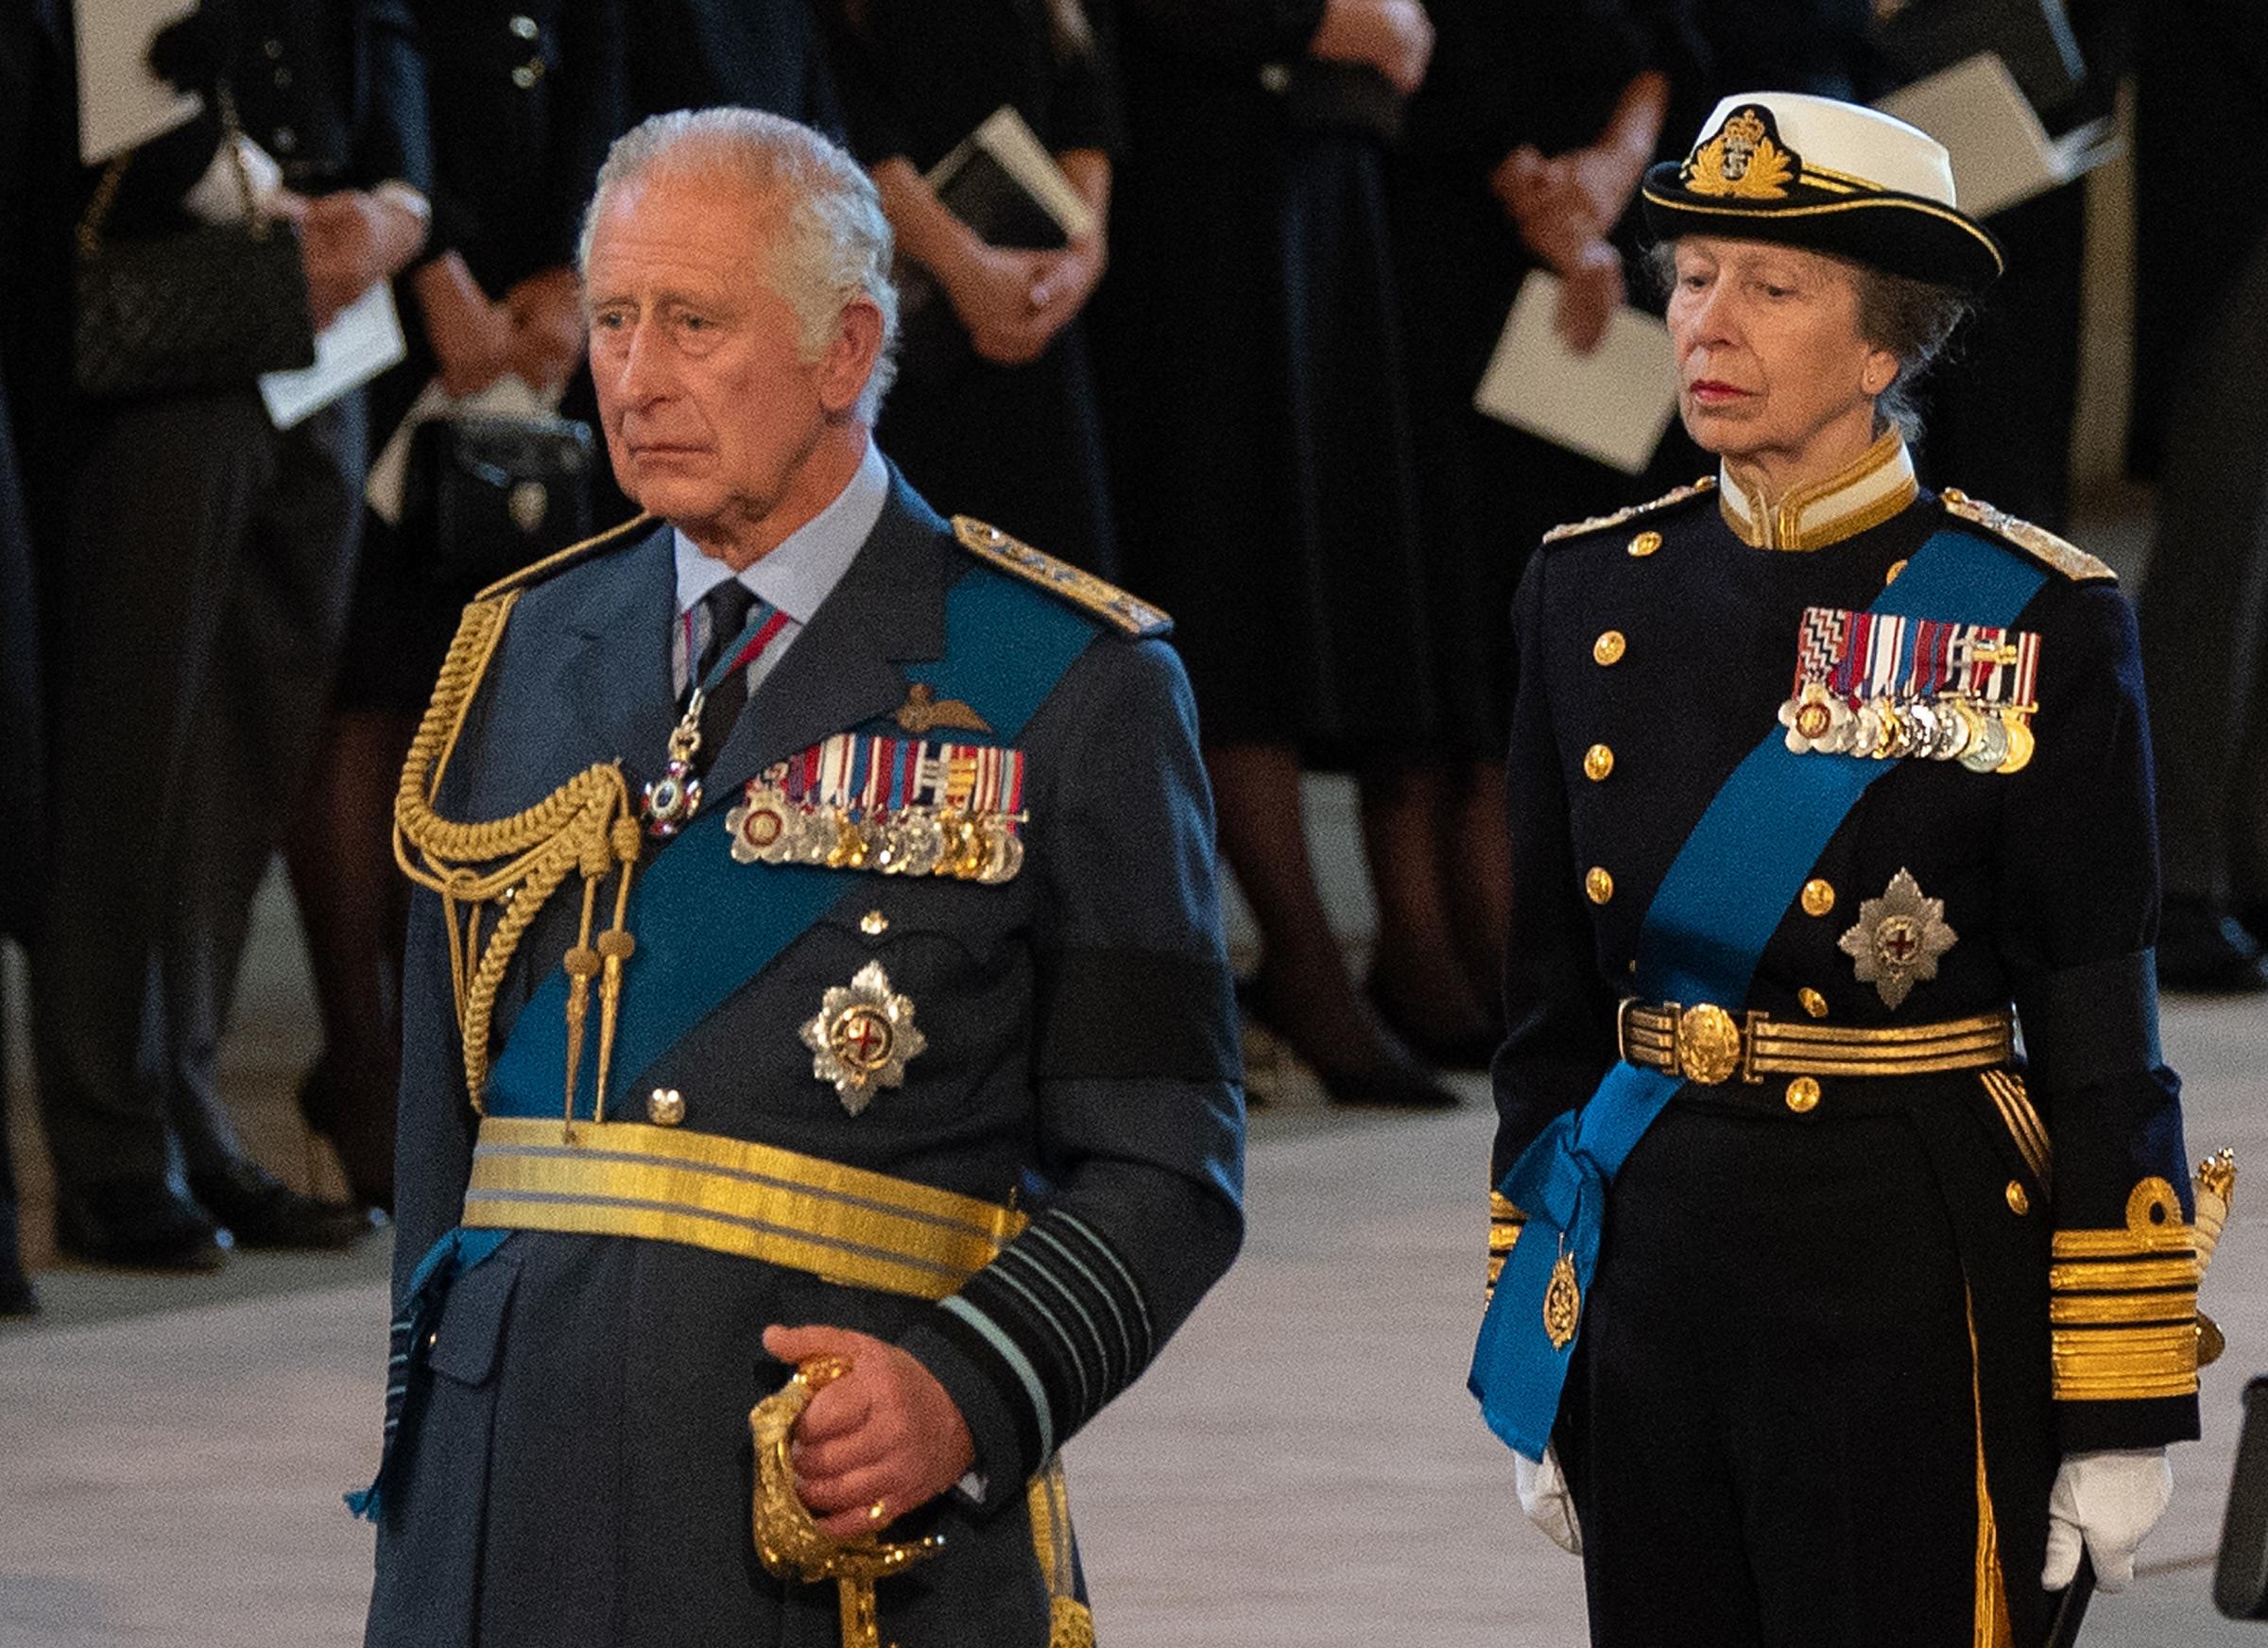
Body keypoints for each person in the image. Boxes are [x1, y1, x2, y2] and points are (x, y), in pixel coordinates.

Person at [359, 108, 1244, 1645]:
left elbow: (1167, 1160)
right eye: (617, 318)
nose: (633, 375)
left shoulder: (1058, 674)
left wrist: (969, 1389)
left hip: (824, 1521)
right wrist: (433, 1481)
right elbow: (447, 1141)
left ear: (847, 351)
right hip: (509, 1506)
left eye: (694, 323)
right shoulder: (518, 645)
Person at [1469, 94, 2199, 1646]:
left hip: (1910, 1284)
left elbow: (2096, 1033)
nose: (1707, 324)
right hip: (1653, 1273)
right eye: (1692, 277)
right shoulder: (1583, 587)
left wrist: (2123, 1388)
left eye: (1771, 288)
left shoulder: (2031, 612)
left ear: (1885, 349)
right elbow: (1547, 1026)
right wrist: (1535, 1329)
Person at [29, 0, 419, 1267]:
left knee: (244, 758)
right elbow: (118, 68)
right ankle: (114, 1147)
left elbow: (387, 34)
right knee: (130, 764)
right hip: (173, 328)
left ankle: (196, 1123)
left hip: (329, 326)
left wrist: (399, 207)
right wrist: (275, 210)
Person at [287, 0, 626, 1214]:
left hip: (542, 306)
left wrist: (584, 274)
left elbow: (604, 68)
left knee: (501, 688)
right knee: (367, 690)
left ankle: (465, 1055)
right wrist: (439, 274)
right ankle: (363, 1058)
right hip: (388, 310)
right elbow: (380, 62)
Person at [1094, 0, 1461, 1106]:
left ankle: (1328, 965)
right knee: (1228, 570)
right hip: (1200, 192)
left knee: (1317, 574)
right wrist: (1322, 17)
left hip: (1317, 184)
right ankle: (1296, 962)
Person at [822, 0, 1124, 577]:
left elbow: (1087, 103)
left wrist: (1081, 260)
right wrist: (965, 266)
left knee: (1058, 596)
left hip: (1037, 318)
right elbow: (845, 115)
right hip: (895, 322)